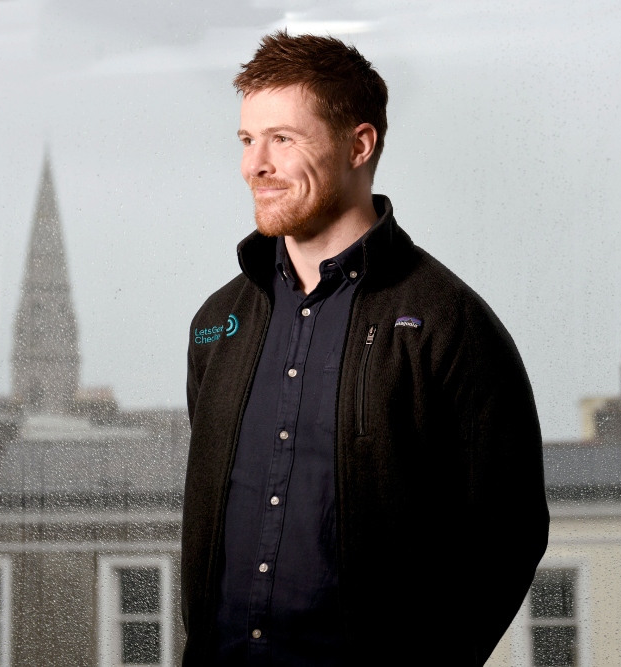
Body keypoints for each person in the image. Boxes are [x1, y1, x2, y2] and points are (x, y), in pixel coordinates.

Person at [181, 32, 548, 666]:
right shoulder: (216, 323)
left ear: (359, 144)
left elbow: (509, 533)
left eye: (283, 139)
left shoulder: (448, 322)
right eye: (247, 140)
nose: (254, 165)